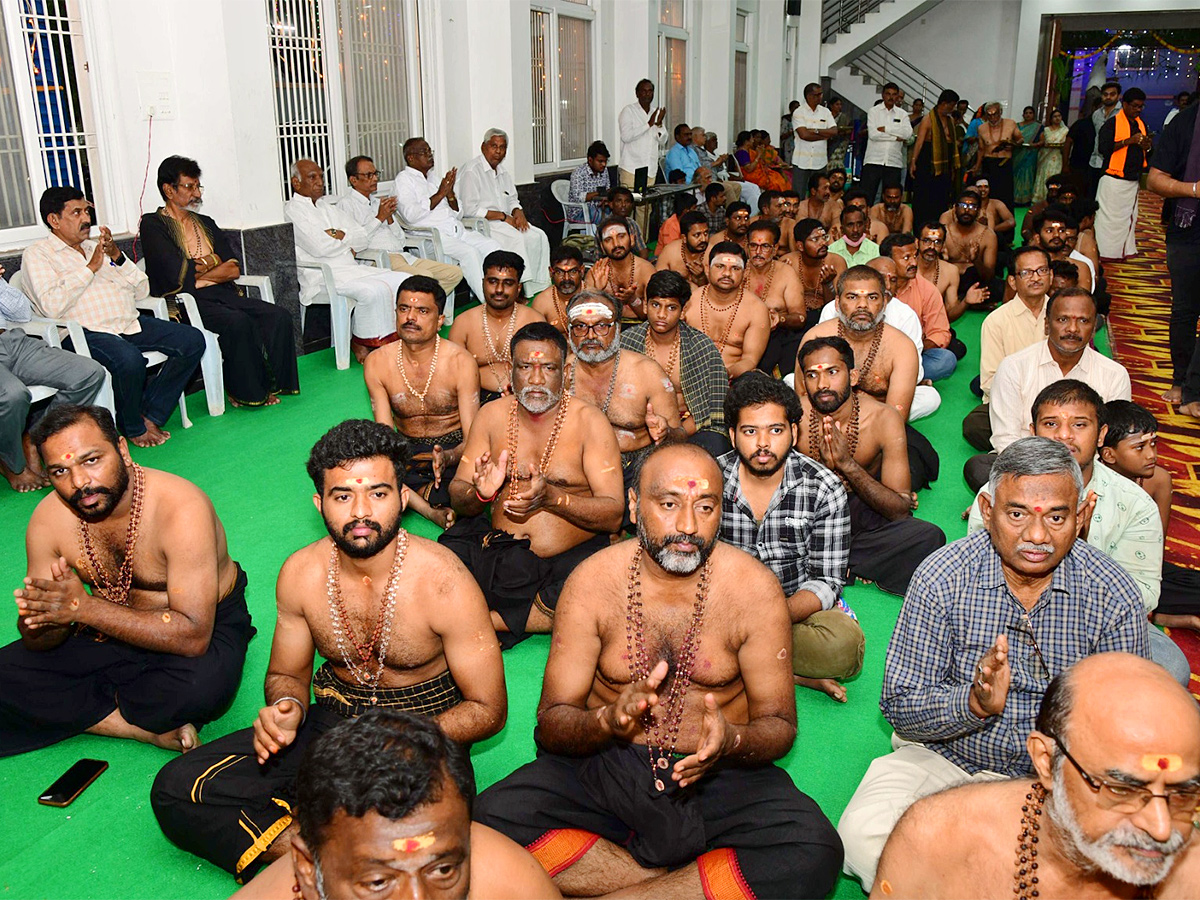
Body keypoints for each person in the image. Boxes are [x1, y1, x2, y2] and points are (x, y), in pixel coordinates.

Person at [473, 442, 845, 900]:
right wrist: (606, 721)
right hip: (606, 761)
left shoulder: (754, 591)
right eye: (668, 504)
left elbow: (780, 725)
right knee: (486, 822)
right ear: (633, 504)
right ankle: (680, 885)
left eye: (705, 507)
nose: (687, 526)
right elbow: (552, 722)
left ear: (721, 513)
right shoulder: (592, 583)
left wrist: (732, 740)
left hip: (715, 771)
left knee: (815, 850)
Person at [151, 420, 506, 881]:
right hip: (334, 724)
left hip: (422, 738)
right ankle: (330, 863)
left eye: (378, 493)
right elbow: (286, 674)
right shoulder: (301, 573)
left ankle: (332, 850)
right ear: (320, 503)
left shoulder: (444, 581)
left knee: (412, 828)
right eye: (343, 496)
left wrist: (397, 740)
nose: (361, 511)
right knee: (178, 788)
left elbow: (488, 709)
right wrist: (286, 707)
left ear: (402, 497)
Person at [838, 436, 1151, 889]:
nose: (1037, 536)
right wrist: (973, 703)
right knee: (861, 838)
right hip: (943, 758)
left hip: (1049, 780)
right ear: (987, 511)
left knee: (1107, 867)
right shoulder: (941, 575)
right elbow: (900, 704)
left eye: (1057, 517)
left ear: (1081, 517)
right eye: (1017, 513)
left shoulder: (1112, 594)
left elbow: (1121, 733)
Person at [0, 404, 253, 757]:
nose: (80, 483)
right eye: (60, 470)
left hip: (197, 625)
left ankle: (88, 701)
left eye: (91, 460)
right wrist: (43, 618)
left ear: (122, 449)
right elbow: (40, 640)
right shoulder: (48, 521)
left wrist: (82, 608)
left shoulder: (180, 507)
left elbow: (193, 635)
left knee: (199, 689)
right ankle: (135, 728)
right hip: (104, 628)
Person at [871, 653, 1200, 899]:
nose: (1161, 827)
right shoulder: (937, 838)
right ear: (1046, 762)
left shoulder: (1191, 874)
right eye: (1122, 789)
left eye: (1183, 795)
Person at [964, 381, 1191, 685]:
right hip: (1007, 615)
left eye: (1080, 424)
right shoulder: (996, 497)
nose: (1064, 435)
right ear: (1034, 431)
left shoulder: (1135, 504)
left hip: (1102, 622)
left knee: (1171, 668)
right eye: (1051, 423)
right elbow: (978, 578)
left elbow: (1144, 596)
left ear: (1101, 435)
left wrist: (1078, 556)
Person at [231, 709, 560, 900]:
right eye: (378, 882)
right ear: (306, 867)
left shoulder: (513, 886)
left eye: (443, 870)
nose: (417, 898)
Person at [441, 322, 623, 648]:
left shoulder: (590, 423)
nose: (536, 380)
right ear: (511, 370)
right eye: (525, 367)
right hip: (498, 549)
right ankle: (496, 617)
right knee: (436, 565)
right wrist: (482, 493)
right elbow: (458, 496)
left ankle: (473, 619)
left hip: (564, 560)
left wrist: (553, 499)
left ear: (566, 371)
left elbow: (613, 514)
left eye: (548, 368)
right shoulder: (491, 416)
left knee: (595, 591)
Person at [718, 371, 863, 702]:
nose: (764, 443)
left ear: (794, 432)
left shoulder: (824, 487)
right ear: (732, 435)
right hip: (722, 608)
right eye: (750, 431)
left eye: (776, 430)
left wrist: (769, 617)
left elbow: (827, 580)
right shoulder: (711, 479)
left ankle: (739, 663)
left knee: (842, 646)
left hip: (790, 611)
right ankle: (789, 672)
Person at [23, 186, 204, 447]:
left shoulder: (94, 247)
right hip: (83, 332)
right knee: (129, 361)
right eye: (76, 212)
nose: (86, 219)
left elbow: (142, 289)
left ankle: (150, 413)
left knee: (192, 340)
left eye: (87, 211)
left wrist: (117, 257)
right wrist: (90, 268)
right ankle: (132, 427)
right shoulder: (38, 255)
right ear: (54, 220)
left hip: (126, 323)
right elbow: (51, 306)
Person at [140, 156, 300, 409]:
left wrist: (202, 273)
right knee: (237, 322)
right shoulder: (153, 224)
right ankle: (243, 391)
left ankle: (274, 382)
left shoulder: (205, 223)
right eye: (189, 187)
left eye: (198, 187)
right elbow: (175, 272)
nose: (196, 194)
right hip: (181, 301)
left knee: (278, 315)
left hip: (218, 292)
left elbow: (233, 267)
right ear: (168, 190)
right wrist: (212, 264)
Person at [794, 337, 945, 596]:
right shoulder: (793, 415)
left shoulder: (883, 418)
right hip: (805, 517)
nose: (822, 385)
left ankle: (829, 562)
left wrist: (847, 465)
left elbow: (899, 509)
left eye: (832, 372)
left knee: (929, 537)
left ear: (852, 376)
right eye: (812, 375)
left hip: (860, 513)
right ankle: (847, 563)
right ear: (803, 382)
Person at [965, 288, 1131, 492]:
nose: (1072, 329)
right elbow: (1006, 438)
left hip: (1086, 471)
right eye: (1062, 320)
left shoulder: (1115, 374)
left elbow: (1112, 443)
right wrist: (1043, 474)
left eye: (1083, 321)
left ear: (1094, 326)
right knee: (978, 468)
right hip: (1027, 466)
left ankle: (1011, 501)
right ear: (1046, 324)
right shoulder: (1014, 366)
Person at [364, 276, 480, 528]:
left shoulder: (460, 362)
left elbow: (474, 438)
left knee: (480, 474)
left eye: (422, 311)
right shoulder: (378, 362)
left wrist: (449, 456)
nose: (410, 317)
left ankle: (415, 498)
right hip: (407, 452)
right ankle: (430, 510)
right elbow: (386, 437)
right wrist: (390, 464)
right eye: (404, 309)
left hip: (454, 449)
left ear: (440, 320)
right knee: (364, 474)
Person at [564, 289, 683, 514]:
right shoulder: (559, 374)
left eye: (601, 326)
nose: (590, 336)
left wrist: (666, 432)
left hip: (636, 467)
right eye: (580, 326)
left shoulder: (647, 373)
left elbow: (680, 436)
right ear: (569, 332)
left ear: (617, 329)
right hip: (579, 468)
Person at [284, 159, 410, 362]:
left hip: (349, 267)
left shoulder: (327, 207)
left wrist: (336, 234)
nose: (320, 182)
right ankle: (362, 342)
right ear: (296, 183)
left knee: (400, 281)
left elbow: (361, 238)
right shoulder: (293, 210)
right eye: (312, 177)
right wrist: (345, 240)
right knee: (370, 291)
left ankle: (387, 342)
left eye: (321, 177)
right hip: (323, 276)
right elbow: (319, 247)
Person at [0, 265, 106, 492]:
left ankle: (35, 438)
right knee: (13, 395)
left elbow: (22, 314)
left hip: (11, 343)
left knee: (88, 373)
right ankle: (11, 463)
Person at [1100, 400, 1200, 634]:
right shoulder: (1095, 485)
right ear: (1109, 455)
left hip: (1144, 565)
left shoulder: (1158, 480)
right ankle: (1172, 617)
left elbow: (1157, 545)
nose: (1151, 455)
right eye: (1139, 447)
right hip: (1106, 576)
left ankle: (1160, 613)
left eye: (1153, 444)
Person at [620, 270, 731, 458]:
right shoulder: (626, 343)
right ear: (645, 306)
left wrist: (675, 434)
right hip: (641, 430)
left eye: (671, 308)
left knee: (715, 446)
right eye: (656, 305)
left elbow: (714, 407)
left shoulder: (701, 346)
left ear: (683, 311)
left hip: (692, 428)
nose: (662, 314)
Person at [795, 266, 921, 422]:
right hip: (824, 423)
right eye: (852, 297)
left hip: (876, 424)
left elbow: (895, 418)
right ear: (837, 303)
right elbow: (804, 405)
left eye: (872, 297)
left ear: (884, 304)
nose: (863, 305)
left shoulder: (902, 347)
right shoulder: (815, 338)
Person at [335, 154, 465, 300]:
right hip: (377, 259)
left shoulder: (378, 203)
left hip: (402, 256)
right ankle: (416, 311)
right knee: (425, 278)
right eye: (369, 175)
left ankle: (426, 308)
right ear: (353, 180)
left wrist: (389, 218)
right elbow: (355, 242)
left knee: (454, 273)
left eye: (376, 173)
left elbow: (401, 240)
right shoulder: (346, 205)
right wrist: (380, 218)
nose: (375, 178)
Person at [394, 137, 503, 304]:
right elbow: (410, 215)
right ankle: (490, 304)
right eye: (425, 152)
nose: (430, 155)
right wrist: (440, 193)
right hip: (433, 237)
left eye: (430, 151)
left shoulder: (434, 178)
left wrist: (450, 194)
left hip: (456, 230)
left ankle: (500, 294)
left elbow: (459, 213)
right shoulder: (403, 180)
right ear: (411, 158)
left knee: (494, 247)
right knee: (470, 253)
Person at [963, 246, 1052, 452]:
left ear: (1051, 274)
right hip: (1012, 402)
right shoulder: (996, 321)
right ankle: (1039, 444)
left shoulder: (1062, 315)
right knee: (975, 425)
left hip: (1055, 403)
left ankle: (1027, 444)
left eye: (1042, 270)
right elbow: (989, 382)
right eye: (1026, 273)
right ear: (1012, 281)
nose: (1036, 278)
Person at [1148, 98, 1200, 408]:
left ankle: (1194, 389)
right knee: (1185, 310)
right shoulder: (1185, 122)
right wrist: (1194, 189)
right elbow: (1155, 179)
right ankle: (1181, 380)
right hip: (1188, 231)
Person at [458, 129, 551, 295]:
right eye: (494, 146)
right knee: (517, 238)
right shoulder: (472, 170)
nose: (498, 151)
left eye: (502, 147)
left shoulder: (503, 172)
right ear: (483, 147)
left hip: (506, 220)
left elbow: (512, 199)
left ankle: (537, 285)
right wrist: (502, 217)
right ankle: (518, 287)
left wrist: (518, 212)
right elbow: (469, 209)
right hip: (485, 224)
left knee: (538, 236)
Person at [446, 251, 545, 404]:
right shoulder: (463, 323)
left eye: (507, 283)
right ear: (483, 282)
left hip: (527, 399)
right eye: (492, 281)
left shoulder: (534, 321)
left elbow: (545, 370)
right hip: (475, 399)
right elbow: (452, 375)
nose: (499, 289)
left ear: (518, 288)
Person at [682, 241, 771, 376]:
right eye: (720, 266)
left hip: (733, 380)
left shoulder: (756, 309)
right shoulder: (689, 300)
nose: (727, 273)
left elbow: (750, 360)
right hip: (687, 375)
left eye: (735, 268)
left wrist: (722, 375)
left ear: (745, 273)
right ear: (707, 269)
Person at [880, 233, 957, 381]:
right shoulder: (870, 286)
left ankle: (895, 379)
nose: (914, 263)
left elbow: (940, 332)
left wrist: (915, 348)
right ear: (888, 262)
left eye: (914, 256)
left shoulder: (927, 289)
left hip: (912, 355)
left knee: (946, 359)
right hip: (873, 353)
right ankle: (905, 380)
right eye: (906, 258)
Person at [745, 221, 807, 378]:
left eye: (765, 246)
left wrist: (779, 318)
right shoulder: (737, 271)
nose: (758, 251)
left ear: (775, 249)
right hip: (742, 336)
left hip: (778, 338)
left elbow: (800, 318)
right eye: (753, 246)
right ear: (747, 247)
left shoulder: (786, 273)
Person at [1095, 88, 1150, 261]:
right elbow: (1103, 149)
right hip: (1113, 179)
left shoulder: (1141, 124)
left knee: (1128, 219)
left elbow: (1147, 152)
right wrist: (1128, 141)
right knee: (1107, 220)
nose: (1138, 110)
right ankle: (1104, 252)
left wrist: (1147, 146)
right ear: (1124, 104)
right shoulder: (1111, 124)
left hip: (1132, 179)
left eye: (1141, 107)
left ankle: (1122, 251)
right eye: (1134, 106)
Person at [617, 79, 667, 237]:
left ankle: (641, 242)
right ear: (637, 93)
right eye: (644, 91)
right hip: (631, 168)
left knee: (645, 209)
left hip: (650, 169)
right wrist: (649, 124)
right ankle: (626, 242)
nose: (647, 94)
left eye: (650, 91)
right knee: (628, 207)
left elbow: (663, 139)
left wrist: (658, 124)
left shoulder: (655, 112)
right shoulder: (628, 111)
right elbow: (626, 136)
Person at [781, 218, 847, 332]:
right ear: (800, 246)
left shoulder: (836, 262)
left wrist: (827, 285)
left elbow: (836, 309)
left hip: (826, 318)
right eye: (815, 239)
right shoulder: (788, 262)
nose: (823, 243)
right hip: (797, 321)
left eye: (824, 237)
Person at [909, 88, 961, 231]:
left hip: (945, 166)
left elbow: (952, 141)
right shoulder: (928, 119)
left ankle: (939, 227)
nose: (953, 108)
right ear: (943, 103)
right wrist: (913, 161)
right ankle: (921, 229)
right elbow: (919, 141)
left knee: (941, 198)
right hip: (928, 163)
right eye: (951, 105)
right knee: (924, 199)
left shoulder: (950, 120)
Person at [915, 221, 987, 322]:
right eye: (927, 241)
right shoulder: (906, 268)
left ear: (943, 246)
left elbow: (949, 316)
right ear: (917, 243)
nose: (932, 247)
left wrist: (965, 302)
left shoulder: (951, 271)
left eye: (937, 242)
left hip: (934, 327)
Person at [585, 216, 654, 321]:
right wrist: (598, 291)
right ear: (602, 247)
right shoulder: (596, 273)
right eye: (608, 240)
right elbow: (587, 314)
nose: (616, 244)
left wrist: (633, 299)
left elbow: (653, 316)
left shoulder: (646, 270)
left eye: (621, 236)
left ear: (632, 240)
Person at [861, 83, 913, 203]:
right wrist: (896, 137)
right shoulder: (874, 111)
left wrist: (886, 129)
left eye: (894, 95)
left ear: (898, 97)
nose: (891, 97)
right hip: (873, 160)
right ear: (883, 95)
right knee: (868, 196)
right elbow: (873, 135)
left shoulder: (903, 114)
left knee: (891, 199)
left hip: (893, 162)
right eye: (888, 94)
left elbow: (907, 134)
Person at [942, 189, 999, 294]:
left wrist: (976, 260)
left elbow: (989, 276)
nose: (967, 210)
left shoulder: (988, 235)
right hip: (949, 280)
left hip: (976, 281)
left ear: (978, 211)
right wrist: (943, 261)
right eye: (963, 206)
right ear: (955, 208)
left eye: (972, 207)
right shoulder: (944, 232)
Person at [1028, 206, 1092, 293]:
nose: (1056, 235)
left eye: (1061, 231)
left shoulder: (1081, 268)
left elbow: (1083, 302)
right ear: (1037, 237)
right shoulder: (1027, 266)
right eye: (1050, 231)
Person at [971, 102, 1022, 211]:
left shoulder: (1011, 124)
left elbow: (1020, 139)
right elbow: (981, 149)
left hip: (1005, 164)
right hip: (989, 164)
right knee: (989, 195)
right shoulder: (981, 128)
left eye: (995, 114)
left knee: (1006, 196)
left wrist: (1013, 145)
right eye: (989, 115)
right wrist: (977, 166)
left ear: (1000, 113)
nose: (993, 117)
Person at [792, 82, 839, 195]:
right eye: (817, 95)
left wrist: (816, 131)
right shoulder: (799, 112)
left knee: (820, 194)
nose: (820, 97)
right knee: (799, 194)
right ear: (809, 96)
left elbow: (834, 131)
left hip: (820, 161)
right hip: (801, 161)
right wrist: (824, 135)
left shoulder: (826, 112)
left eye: (821, 94)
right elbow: (804, 135)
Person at [531, 245, 585, 336]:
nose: (566, 278)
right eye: (559, 272)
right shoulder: (542, 302)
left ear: (582, 271)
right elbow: (536, 339)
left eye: (573, 272)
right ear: (551, 272)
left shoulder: (593, 296)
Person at [655, 208, 710, 288]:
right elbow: (658, 283)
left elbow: (718, 292)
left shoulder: (713, 253)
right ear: (684, 238)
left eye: (705, 233)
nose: (703, 239)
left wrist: (701, 279)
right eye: (697, 235)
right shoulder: (670, 251)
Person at [1088, 82, 1123, 199]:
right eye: (1105, 94)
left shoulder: (1122, 114)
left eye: (1112, 94)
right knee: (1093, 194)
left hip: (1113, 162)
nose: (1108, 97)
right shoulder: (1096, 114)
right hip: (1095, 160)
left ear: (1118, 96)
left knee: (1108, 197)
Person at [567, 140, 612, 224]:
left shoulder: (604, 171)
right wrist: (599, 194)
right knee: (604, 218)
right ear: (590, 160)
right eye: (600, 161)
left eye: (605, 161)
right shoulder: (578, 173)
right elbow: (579, 197)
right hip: (579, 212)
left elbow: (607, 189)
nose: (604, 164)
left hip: (599, 208)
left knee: (618, 211)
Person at [1063, 97, 1098, 196]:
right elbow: (1068, 143)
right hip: (1078, 166)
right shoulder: (1081, 124)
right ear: (1094, 108)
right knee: (1076, 193)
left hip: (1097, 167)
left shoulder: (1108, 126)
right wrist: (1065, 164)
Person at [969, 176, 1017, 247]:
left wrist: (991, 229)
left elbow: (1011, 222)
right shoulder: (969, 204)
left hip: (994, 239)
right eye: (979, 187)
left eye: (986, 187)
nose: (983, 189)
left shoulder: (997, 204)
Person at [606, 186, 652, 260]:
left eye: (627, 201)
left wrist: (642, 266)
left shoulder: (632, 224)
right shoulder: (605, 227)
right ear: (611, 204)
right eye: (619, 201)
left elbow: (643, 251)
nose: (623, 205)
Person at [1033, 110, 1068, 204]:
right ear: (1051, 119)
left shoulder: (1065, 131)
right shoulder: (1046, 130)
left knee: (1054, 177)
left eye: (1059, 116)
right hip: (1046, 157)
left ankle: (1055, 199)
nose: (1057, 118)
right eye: (1055, 116)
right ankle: (1042, 199)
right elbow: (1042, 143)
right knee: (1044, 176)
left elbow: (1067, 145)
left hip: (1057, 157)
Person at [1012, 106, 1043, 206]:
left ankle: (1025, 200)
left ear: (1033, 115)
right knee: (1016, 175)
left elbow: (1042, 141)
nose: (1028, 115)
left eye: (1030, 113)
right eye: (1026, 113)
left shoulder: (1038, 127)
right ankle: (1015, 198)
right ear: (1023, 115)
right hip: (1018, 152)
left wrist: (1035, 145)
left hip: (1030, 154)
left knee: (1027, 174)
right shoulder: (1017, 126)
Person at [827, 96, 853, 170]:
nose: (839, 106)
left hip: (840, 142)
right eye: (837, 104)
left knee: (836, 161)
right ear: (831, 106)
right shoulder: (827, 115)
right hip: (828, 140)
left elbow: (848, 129)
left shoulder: (843, 117)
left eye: (840, 104)